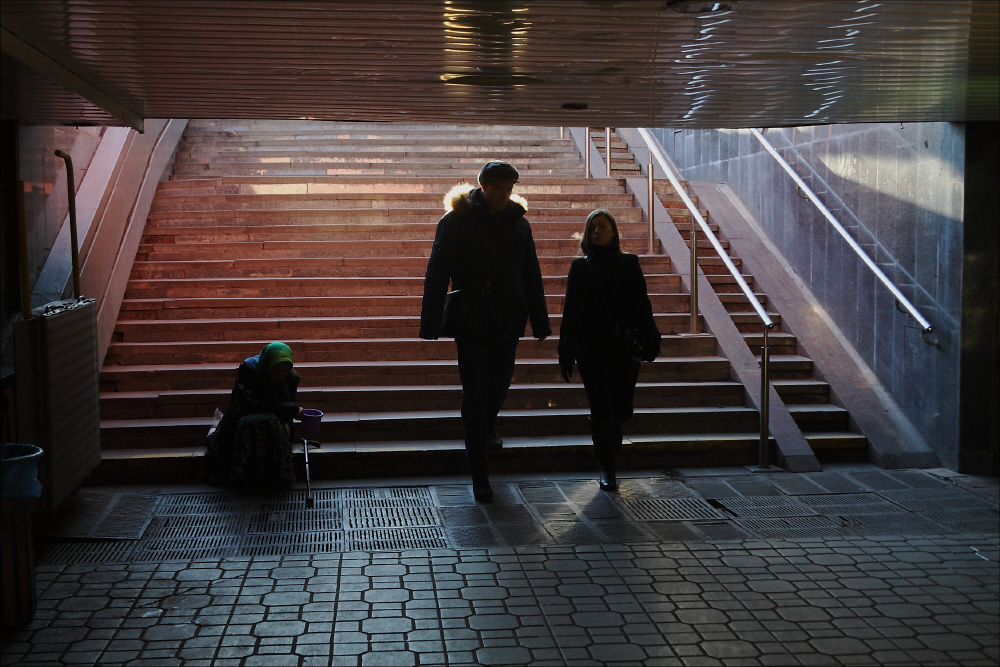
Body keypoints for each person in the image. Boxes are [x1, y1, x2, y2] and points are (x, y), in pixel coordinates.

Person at [420, 161, 551, 502]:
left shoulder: (519, 225)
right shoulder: (456, 221)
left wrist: (539, 321)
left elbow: (531, 274)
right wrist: (430, 324)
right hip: (474, 321)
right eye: (498, 189)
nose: (504, 196)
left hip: (509, 321)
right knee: (476, 393)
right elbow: (437, 273)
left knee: (500, 385)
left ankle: (486, 427)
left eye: (508, 190)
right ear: (483, 186)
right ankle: (480, 474)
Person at [558, 209, 661, 492]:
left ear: (614, 231)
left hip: (624, 346)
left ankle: (615, 430)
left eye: (602, 227)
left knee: (622, 406)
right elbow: (570, 311)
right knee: (600, 406)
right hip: (591, 347)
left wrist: (651, 337)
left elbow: (642, 303)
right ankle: (607, 465)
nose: (597, 232)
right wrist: (565, 350)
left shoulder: (629, 263)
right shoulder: (580, 267)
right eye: (592, 228)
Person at [207, 341, 305, 489]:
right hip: (243, 416)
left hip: (274, 423)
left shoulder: (291, 378)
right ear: (268, 365)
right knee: (253, 423)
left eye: (284, 372)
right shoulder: (249, 369)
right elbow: (247, 404)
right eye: (276, 371)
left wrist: (292, 416)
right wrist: (288, 409)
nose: (280, 376)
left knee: (272, 423)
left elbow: (287, 411)